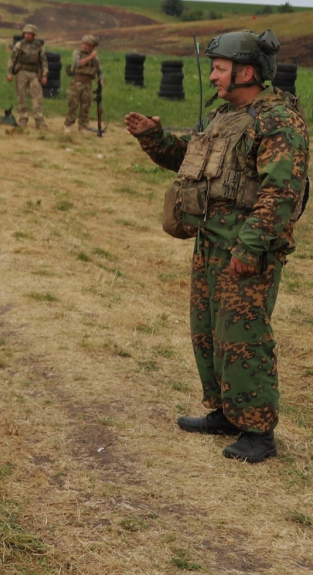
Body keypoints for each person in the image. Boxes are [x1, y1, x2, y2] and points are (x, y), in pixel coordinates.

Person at [125, 30, 308, 463]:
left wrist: (249, 248)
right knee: (209, 332)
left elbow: (281, 191)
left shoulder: (277, 120)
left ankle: (258, 431)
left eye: (219, 69)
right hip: (212, 241)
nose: (213, 77)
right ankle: (227, 412)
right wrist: (154, 137)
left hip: (247, 248)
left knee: (244, 337)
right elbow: (192, 159)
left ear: (246, 71)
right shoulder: (226, 117)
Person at [6, 24, 47, 129]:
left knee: (37, 96)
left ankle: (39, 121)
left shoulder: (38, 46)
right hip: (22, 72)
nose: (27, 36)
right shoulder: (20, 45)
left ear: (34, 35)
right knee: (21, 97)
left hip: (34, 73)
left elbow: (44, 62)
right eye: (26, 34)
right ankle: (23, 119)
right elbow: (12, 59)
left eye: (30, 34)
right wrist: (9, 73)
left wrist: (44, 75)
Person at [64, 34, 104, 134]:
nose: (84, 46)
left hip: (88, 84)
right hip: (77, 82)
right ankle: (68, 125)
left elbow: (100, 71)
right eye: (84, 44)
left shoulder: (96, 59)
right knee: (73, 104)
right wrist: (91, 57)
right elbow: (78, 63)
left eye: (87, 45)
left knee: (86, 106)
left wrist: (101, 79)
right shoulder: (77, 53)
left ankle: (83, 126)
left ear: (92, 47)